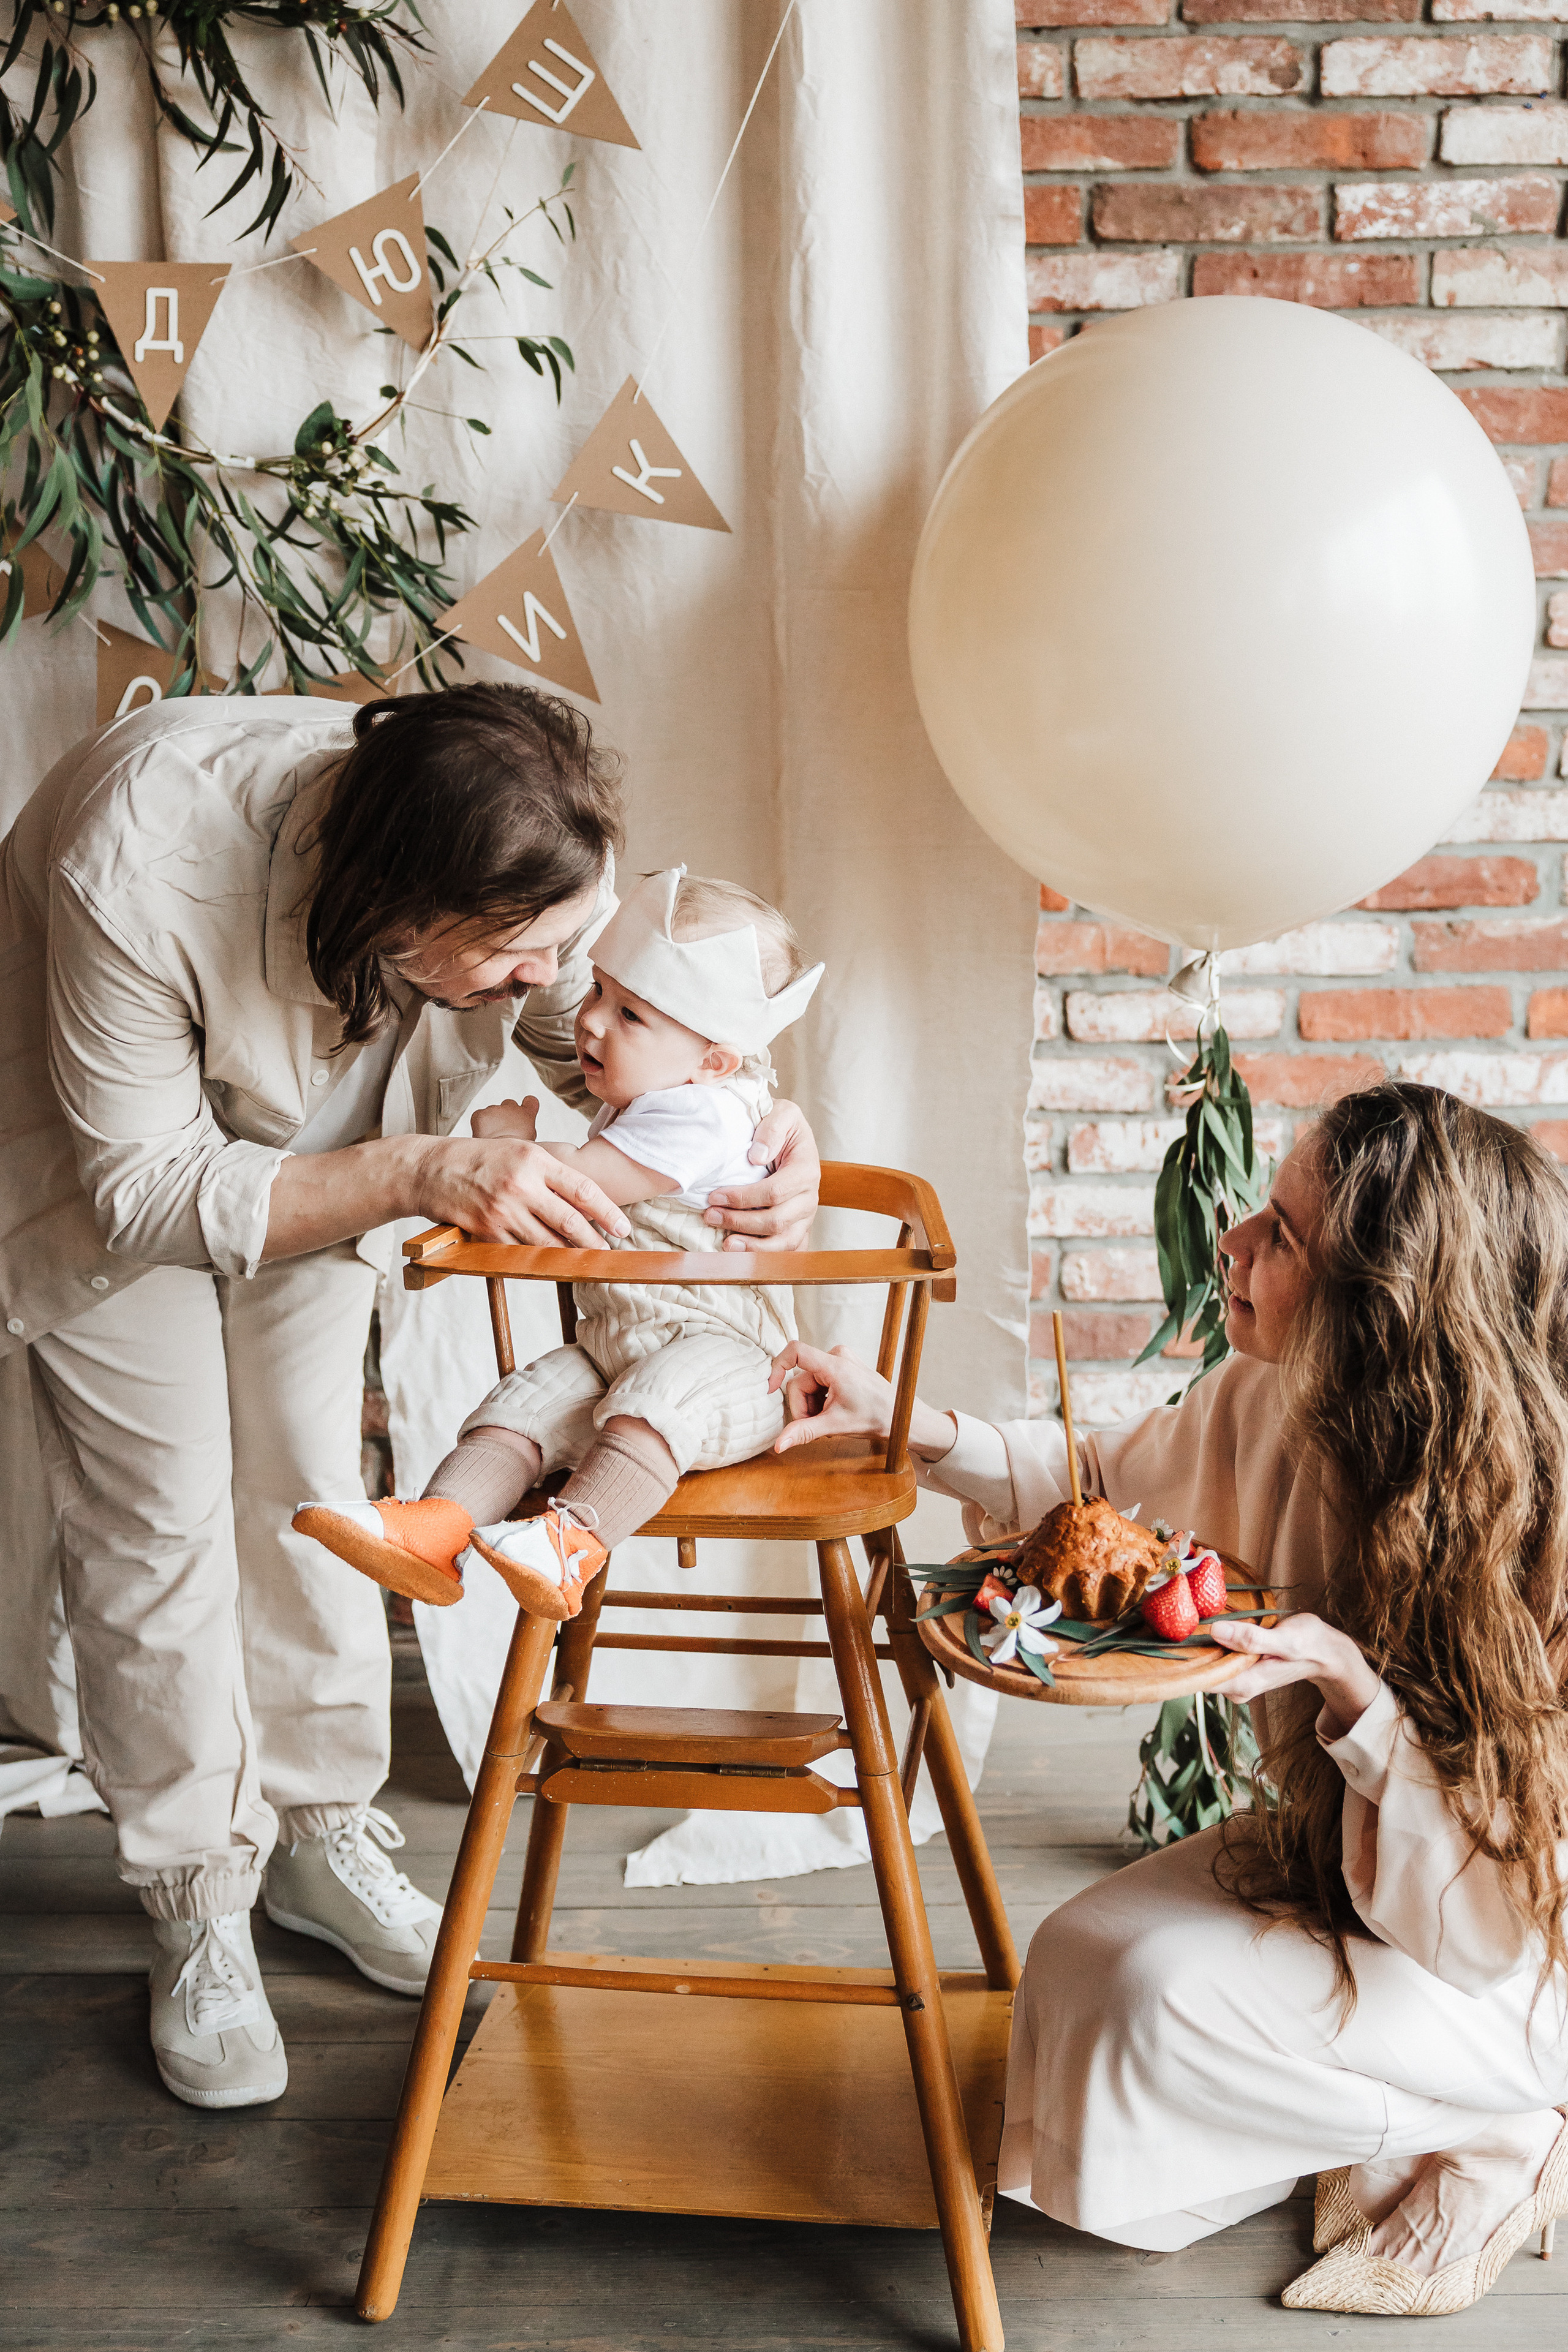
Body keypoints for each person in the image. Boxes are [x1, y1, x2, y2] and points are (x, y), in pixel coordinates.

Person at [0, 685, 819, 2112]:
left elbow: (621, 1031)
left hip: (334, 1128)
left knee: (306, 1473)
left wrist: (757, 1126)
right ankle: (196, 1888)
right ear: (402, 907)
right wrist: (420, 1170)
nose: (542, 990)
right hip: (103, 1165)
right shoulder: (129, 863)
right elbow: (149, 1189)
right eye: (510, 960)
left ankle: (323, 1826)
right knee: (160, 1512)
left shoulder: (529, 846)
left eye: (554, 949)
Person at [769, 1081, 1568, 2318]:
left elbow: (1495, 1921)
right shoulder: (1274, 1402)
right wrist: (910, 1427)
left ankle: (1508, 2120)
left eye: (1281, 1237)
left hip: (1506, 1952)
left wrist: (1357, 1703)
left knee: (1156, 2003)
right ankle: (1401, 2103)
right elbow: (1103, 1487)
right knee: (1082, 1968)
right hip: (1341, 1868)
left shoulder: (1541, 1533)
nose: (1231, 1245)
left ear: (1383, 1309)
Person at [296, 865, 824, 1616]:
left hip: (731, 1364)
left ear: (713, 1061)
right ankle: (437, 1527)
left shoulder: (703, 1116)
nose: (593, 1020)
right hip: (621, 1343)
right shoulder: (655, 1098)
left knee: (653, 1403)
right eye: (600, 990)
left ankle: (570, 1540)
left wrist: (512, 1146)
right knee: (521, 1406)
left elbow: (575, 1183)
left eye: (632, 1015)